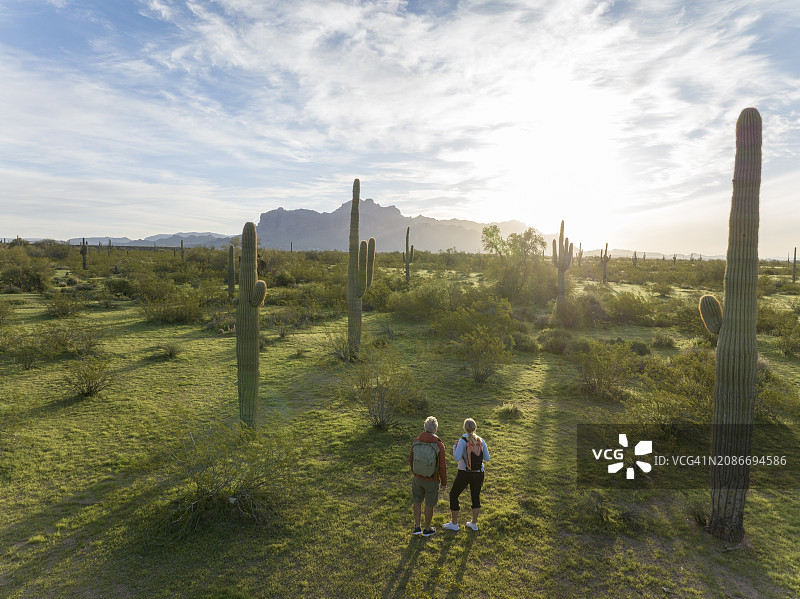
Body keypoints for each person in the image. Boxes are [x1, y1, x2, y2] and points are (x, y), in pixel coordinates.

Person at [443, 418, 490, 532]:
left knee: (454, 495)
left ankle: (454, 523)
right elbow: (487, 459)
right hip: (479, 473)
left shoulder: (462, 441)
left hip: (464, 473)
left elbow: (457, 458)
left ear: (464, 428)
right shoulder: (481, 440)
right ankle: (474, 523)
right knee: (475, 497)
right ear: (475, 428)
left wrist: (455, 447)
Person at [409, 416, 447, 537]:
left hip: (417, 477)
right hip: (431, 480)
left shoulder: (416, 441)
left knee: (417, 501)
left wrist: (415, 473)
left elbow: (411, 460)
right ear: (435, 430)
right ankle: (427, 529)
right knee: (429, 504)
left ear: (425, 427)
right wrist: (444, 482)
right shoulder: (439, 445)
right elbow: (442, 466)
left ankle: (417, 527)